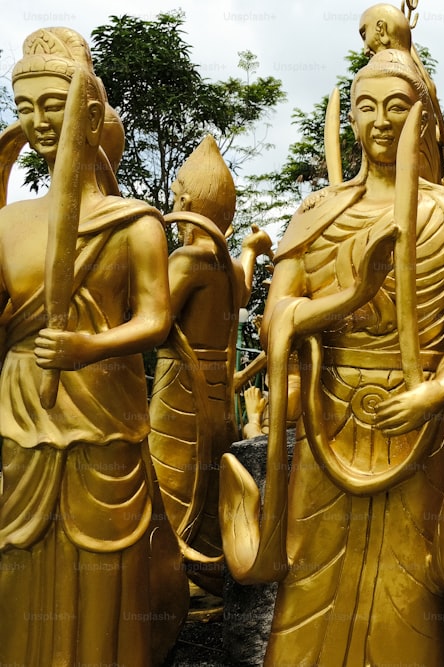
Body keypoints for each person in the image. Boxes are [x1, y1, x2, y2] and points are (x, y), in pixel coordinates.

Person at [219, 49, 444, 666]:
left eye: (398, 106)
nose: (382, 121)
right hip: (325, 416)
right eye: (367, 107)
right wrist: (351, 295)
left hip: (412, 424)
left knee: (405, 586)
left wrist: (435, 392)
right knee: (311, 574)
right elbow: (275, 320)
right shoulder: (316, 212)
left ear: (423, 116)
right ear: (351, 121)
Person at [0, 27, 185, 665]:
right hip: (24, 409)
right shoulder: (8, 222)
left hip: (103, 410)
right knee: (20, 554)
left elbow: (156, 320)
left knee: (106, 556)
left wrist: (90, 346)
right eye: (25, 108)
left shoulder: (134, 222)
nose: (39, 121)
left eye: (54, 104)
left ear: (92, 109)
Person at [148, 134, 273, 596]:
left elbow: (155, 322)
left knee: (171, 476)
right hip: (216, 392)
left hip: (180, 386)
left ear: (184, 202)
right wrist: (250, 251)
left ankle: (172, 571)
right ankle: (202, 570)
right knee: (207, 475)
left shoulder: (189, 258)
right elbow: (242, 293)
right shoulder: (220, 264)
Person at [358, 2, 444, 204]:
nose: (364, 49)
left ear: (382, 29)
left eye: (364, 35)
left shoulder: (389, 70)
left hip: (406, 194)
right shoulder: (415, 73)